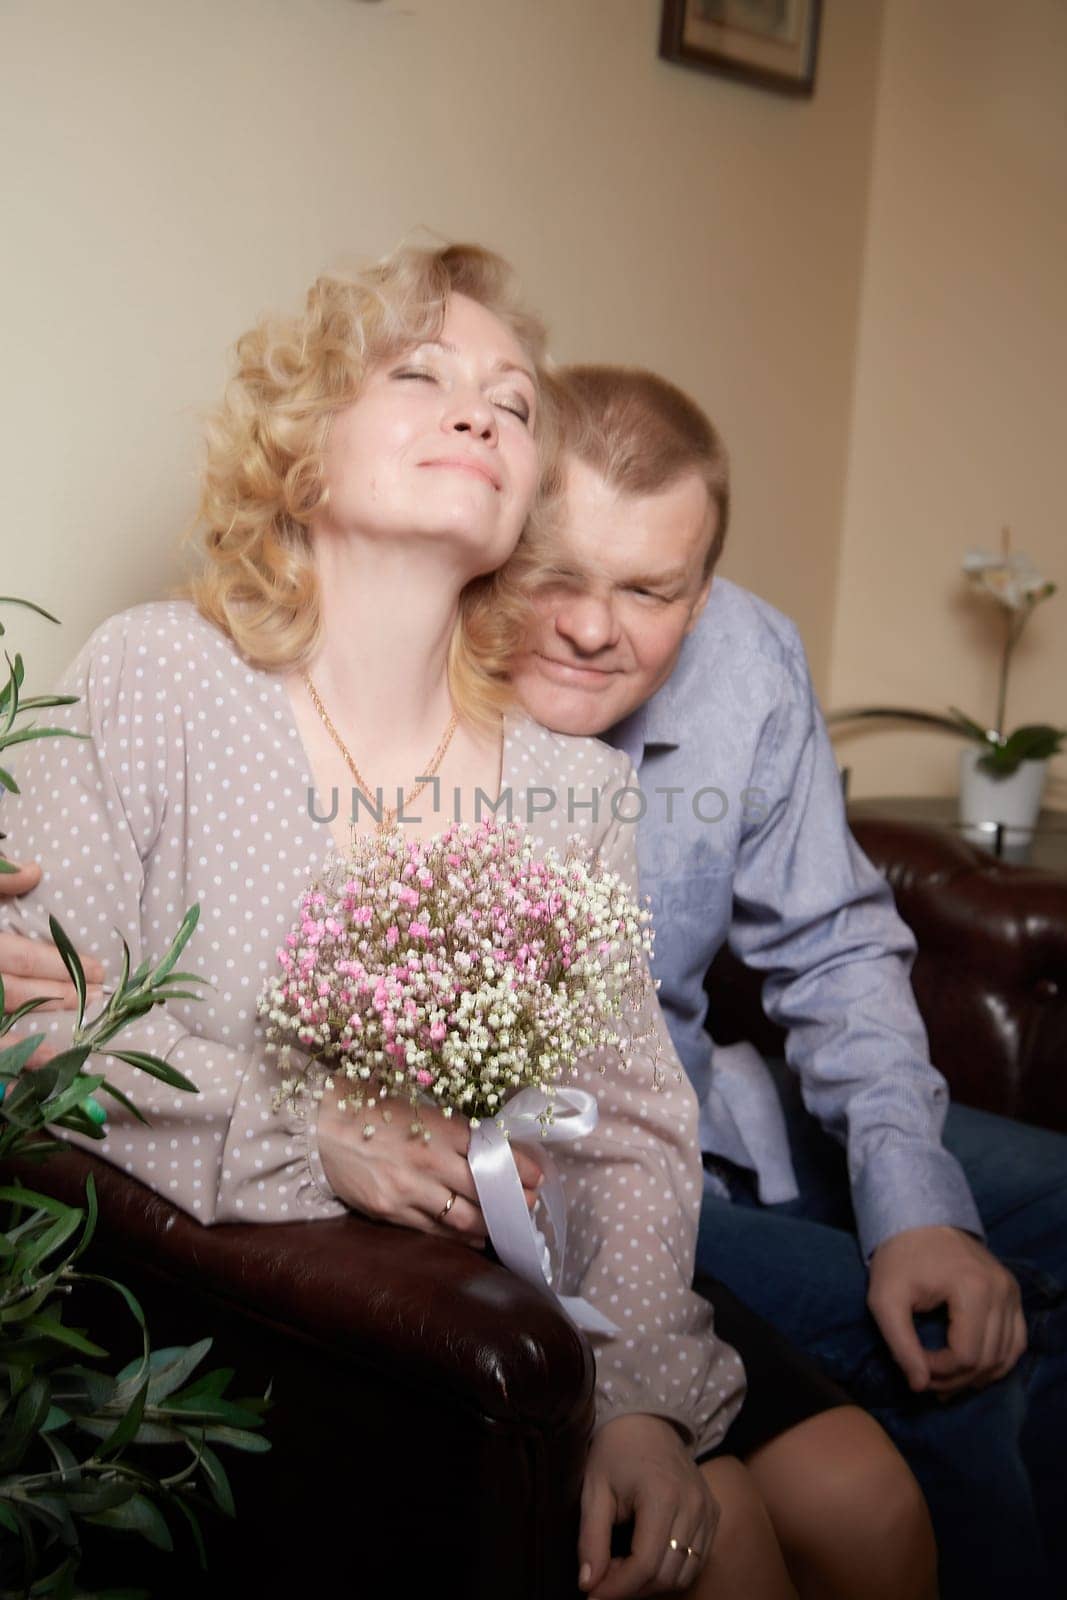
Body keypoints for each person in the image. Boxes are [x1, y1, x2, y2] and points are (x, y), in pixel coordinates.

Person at [0, 241, 936, 1600]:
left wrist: (635, 1408)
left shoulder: (570, 787)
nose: (478, 412)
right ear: (301, 449)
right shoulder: (155, 679)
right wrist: (308, 1128)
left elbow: (624, 1125)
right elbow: (33, 1034)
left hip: (537, 1317)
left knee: (736, 1546)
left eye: (509, 403)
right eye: (420, 373)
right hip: (251, 1345)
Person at [506, 363, 1067, 1599]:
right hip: (589, 1180)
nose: (593, 628)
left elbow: (831, 943)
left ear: (699, 595)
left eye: (649, 588)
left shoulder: (748, 656)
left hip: (724, 1110)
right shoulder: (420, 699)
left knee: (1028, 1214)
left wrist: (916, 1202)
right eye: (555, 571)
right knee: (952, 1346)